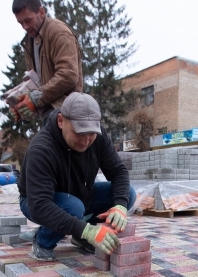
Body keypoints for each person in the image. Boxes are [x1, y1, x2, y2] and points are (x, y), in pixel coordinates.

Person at [17, 92, 136, 261]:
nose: (86, 141)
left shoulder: (99, 136)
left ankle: (80, 237)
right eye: (79, 133)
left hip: (80, 195)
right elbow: (40, 205)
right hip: (36, 201)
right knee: (73, 207)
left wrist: (120, 206)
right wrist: (87, 229)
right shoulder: (42, 148)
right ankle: (42, 241)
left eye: (91, 134)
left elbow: (119, 172)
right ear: (60, 121)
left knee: (127, 194)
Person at [10, 0, 83, 121]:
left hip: (67, 114)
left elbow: (69, 75)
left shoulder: (59, 33)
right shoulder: (29, 41)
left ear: (41, 12)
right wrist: (19, 104)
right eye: (20, 23)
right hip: (49, 116)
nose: (25, 27)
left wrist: (34, 98)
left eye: (28, 20)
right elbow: (35, 82)